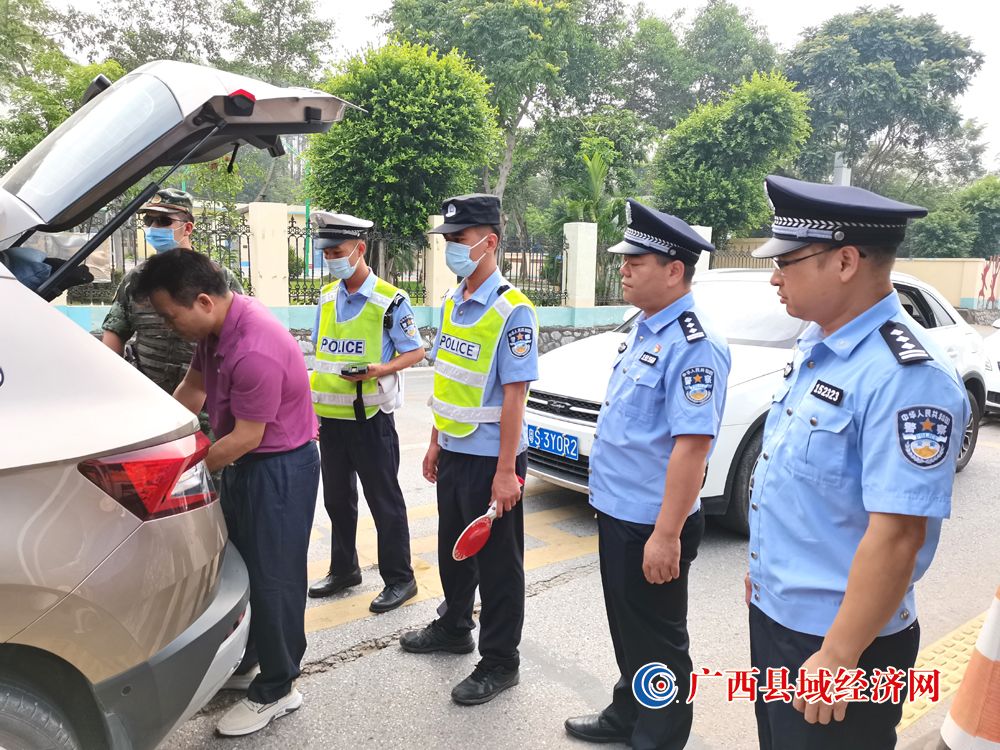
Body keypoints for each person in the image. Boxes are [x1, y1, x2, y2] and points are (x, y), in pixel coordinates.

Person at [745, 175, 970, 750]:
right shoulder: (820, 345)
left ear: (845, 261)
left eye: (787, 261)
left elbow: (897, 536)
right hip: (781, 617)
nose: (774, 277)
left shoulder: (907, 377)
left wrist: (839, 654)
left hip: (846, 643)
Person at [564, 200, 731, 750]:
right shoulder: (646, 328)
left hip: (653, 522)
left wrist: (667, 534)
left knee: (659, 642)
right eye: (624, 260)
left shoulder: (694, 345)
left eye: (636, 261)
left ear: (674, 270)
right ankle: (628, 712)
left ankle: (658, 737)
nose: (624, 269)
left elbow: (692, 447)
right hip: (619, 510)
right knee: (629, 630)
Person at [133, 249, 320, 737]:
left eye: (170, 316)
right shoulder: (216, 331)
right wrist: (155, 440)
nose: (168, 326)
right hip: (245, 463)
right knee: (244, 569)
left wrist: (180, 477)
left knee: (276, 579)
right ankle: (254, 658)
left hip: (278, 469)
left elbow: (246, 437)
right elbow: (192, 388)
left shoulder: (254, 347)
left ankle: (279, 687)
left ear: (202, 301)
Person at [400, 193, 538, 706]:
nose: (451, 248)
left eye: (459, 239)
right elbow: (448, 379)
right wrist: (436, 441)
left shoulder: (513, 311)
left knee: (499, 565)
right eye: (449, 240)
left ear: (489, 241)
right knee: (453, 550)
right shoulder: (452, 301)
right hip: (456, 452)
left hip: (493, 460)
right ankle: (454, 626)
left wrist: (506, 473)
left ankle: (501, 661)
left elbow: (515, 397)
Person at [306, 211, 424, 613]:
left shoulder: (390, 300)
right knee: (337, 501)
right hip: (331, 421)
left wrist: (379, 370)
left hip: (371, 421)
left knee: (384, 503)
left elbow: (416, 351)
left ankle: (401, 578)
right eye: (326, 254)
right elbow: (322, 354)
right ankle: (344, 570)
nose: (331, 259)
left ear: (360, 249)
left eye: (337, 252)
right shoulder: (326, 297)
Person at [101, 188, 243, 397]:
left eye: (164, 221)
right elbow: (115, 331)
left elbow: (240, 336)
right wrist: (114, 383)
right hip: (147, 396)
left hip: (205, 400)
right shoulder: (136, 278)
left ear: (187, 228)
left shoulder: (218, 277)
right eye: (149, 220)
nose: (154, 227)